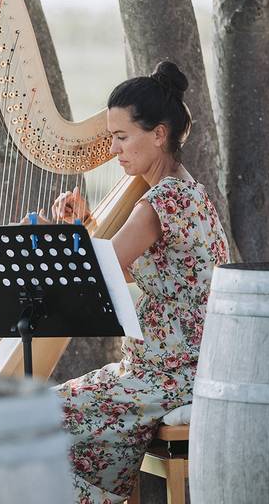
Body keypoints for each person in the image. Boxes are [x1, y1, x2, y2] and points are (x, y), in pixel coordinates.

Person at [50, 60, 229, 504]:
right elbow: (134, 267)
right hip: (170, 365)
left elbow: (102, 270)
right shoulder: (188, 191)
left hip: (174, 373)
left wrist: (52, 243)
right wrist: (87, 224)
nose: (114, 150)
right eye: (112, 138)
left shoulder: (161, 200)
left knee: (42, 413)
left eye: (121, 137)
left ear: (159, 134)